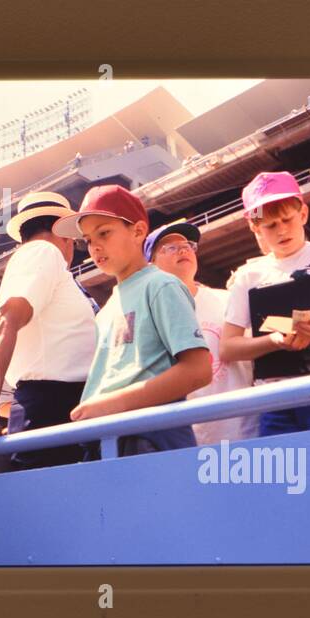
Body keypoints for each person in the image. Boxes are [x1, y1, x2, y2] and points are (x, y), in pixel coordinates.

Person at [218, 170, 310, 561]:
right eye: (269, 224)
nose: (281, 230)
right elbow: (228, 347)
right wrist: (274, 341)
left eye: (287, 219)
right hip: (276, 401)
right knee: (289, 505)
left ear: (303, 213)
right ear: (254, 229)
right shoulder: (248, 275)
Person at [51, 185, 212, 456]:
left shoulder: (160, 284)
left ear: (138, 231)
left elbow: (198, 370)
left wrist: (107, 405)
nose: (95, 246)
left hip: (152, 438)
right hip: (109, 437)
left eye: (104, 232)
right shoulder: (105, 310)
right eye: (88, 240)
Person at [0, 192, 97, 470]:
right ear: (64, 233)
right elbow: (5, 321)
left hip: (63, 407)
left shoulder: (46, 262)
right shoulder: (43, 251)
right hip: (51, 407)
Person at [144, 219, 258, 444]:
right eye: (170, 247)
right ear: (151, 265)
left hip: (245, 431)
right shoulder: (149, 317)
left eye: (187, 245)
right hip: (188, 440)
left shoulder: (229, 301)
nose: (183, 249)